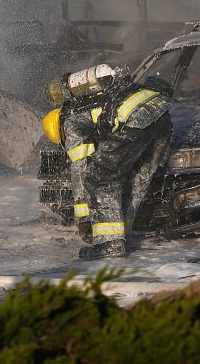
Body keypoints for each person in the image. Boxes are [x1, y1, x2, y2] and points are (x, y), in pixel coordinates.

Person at [43, 64, 172, 260]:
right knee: (138, 178)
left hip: (132, 121)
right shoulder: (92, 96)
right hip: (160, 116)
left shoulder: (70, 121)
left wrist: (84, 219)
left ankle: (110, 243)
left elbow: (80, 170)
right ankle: (124, 233)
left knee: (98, 179)